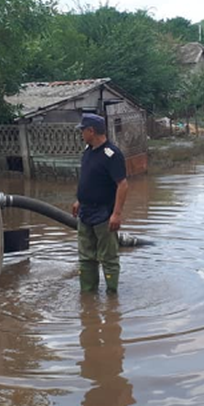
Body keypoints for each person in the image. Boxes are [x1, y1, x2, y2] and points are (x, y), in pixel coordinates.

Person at [72, 114, 128, 293]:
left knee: (108, 257)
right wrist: (80, 200)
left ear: (91, 131)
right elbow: (89, 179)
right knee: (86, 257)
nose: (81, 133)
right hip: (85, 212)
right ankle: (88, 295)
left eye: (83, 130)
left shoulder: (112, 154)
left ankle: (112, 298)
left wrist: (116, 214)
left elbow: (123, 185)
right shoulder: (88, 151)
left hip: (104, 214)